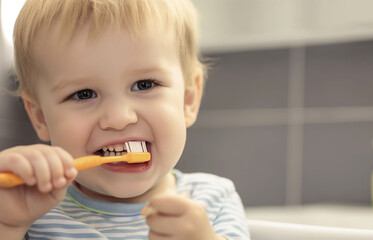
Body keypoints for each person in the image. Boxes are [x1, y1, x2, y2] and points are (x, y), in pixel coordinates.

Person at [0, 0, 250, 239]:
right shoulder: (32, 212)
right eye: (83, 94)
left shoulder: (213, 200)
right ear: (40, 117)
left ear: (187, 99)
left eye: (144, 84)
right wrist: (7, 224)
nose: (119, 118)